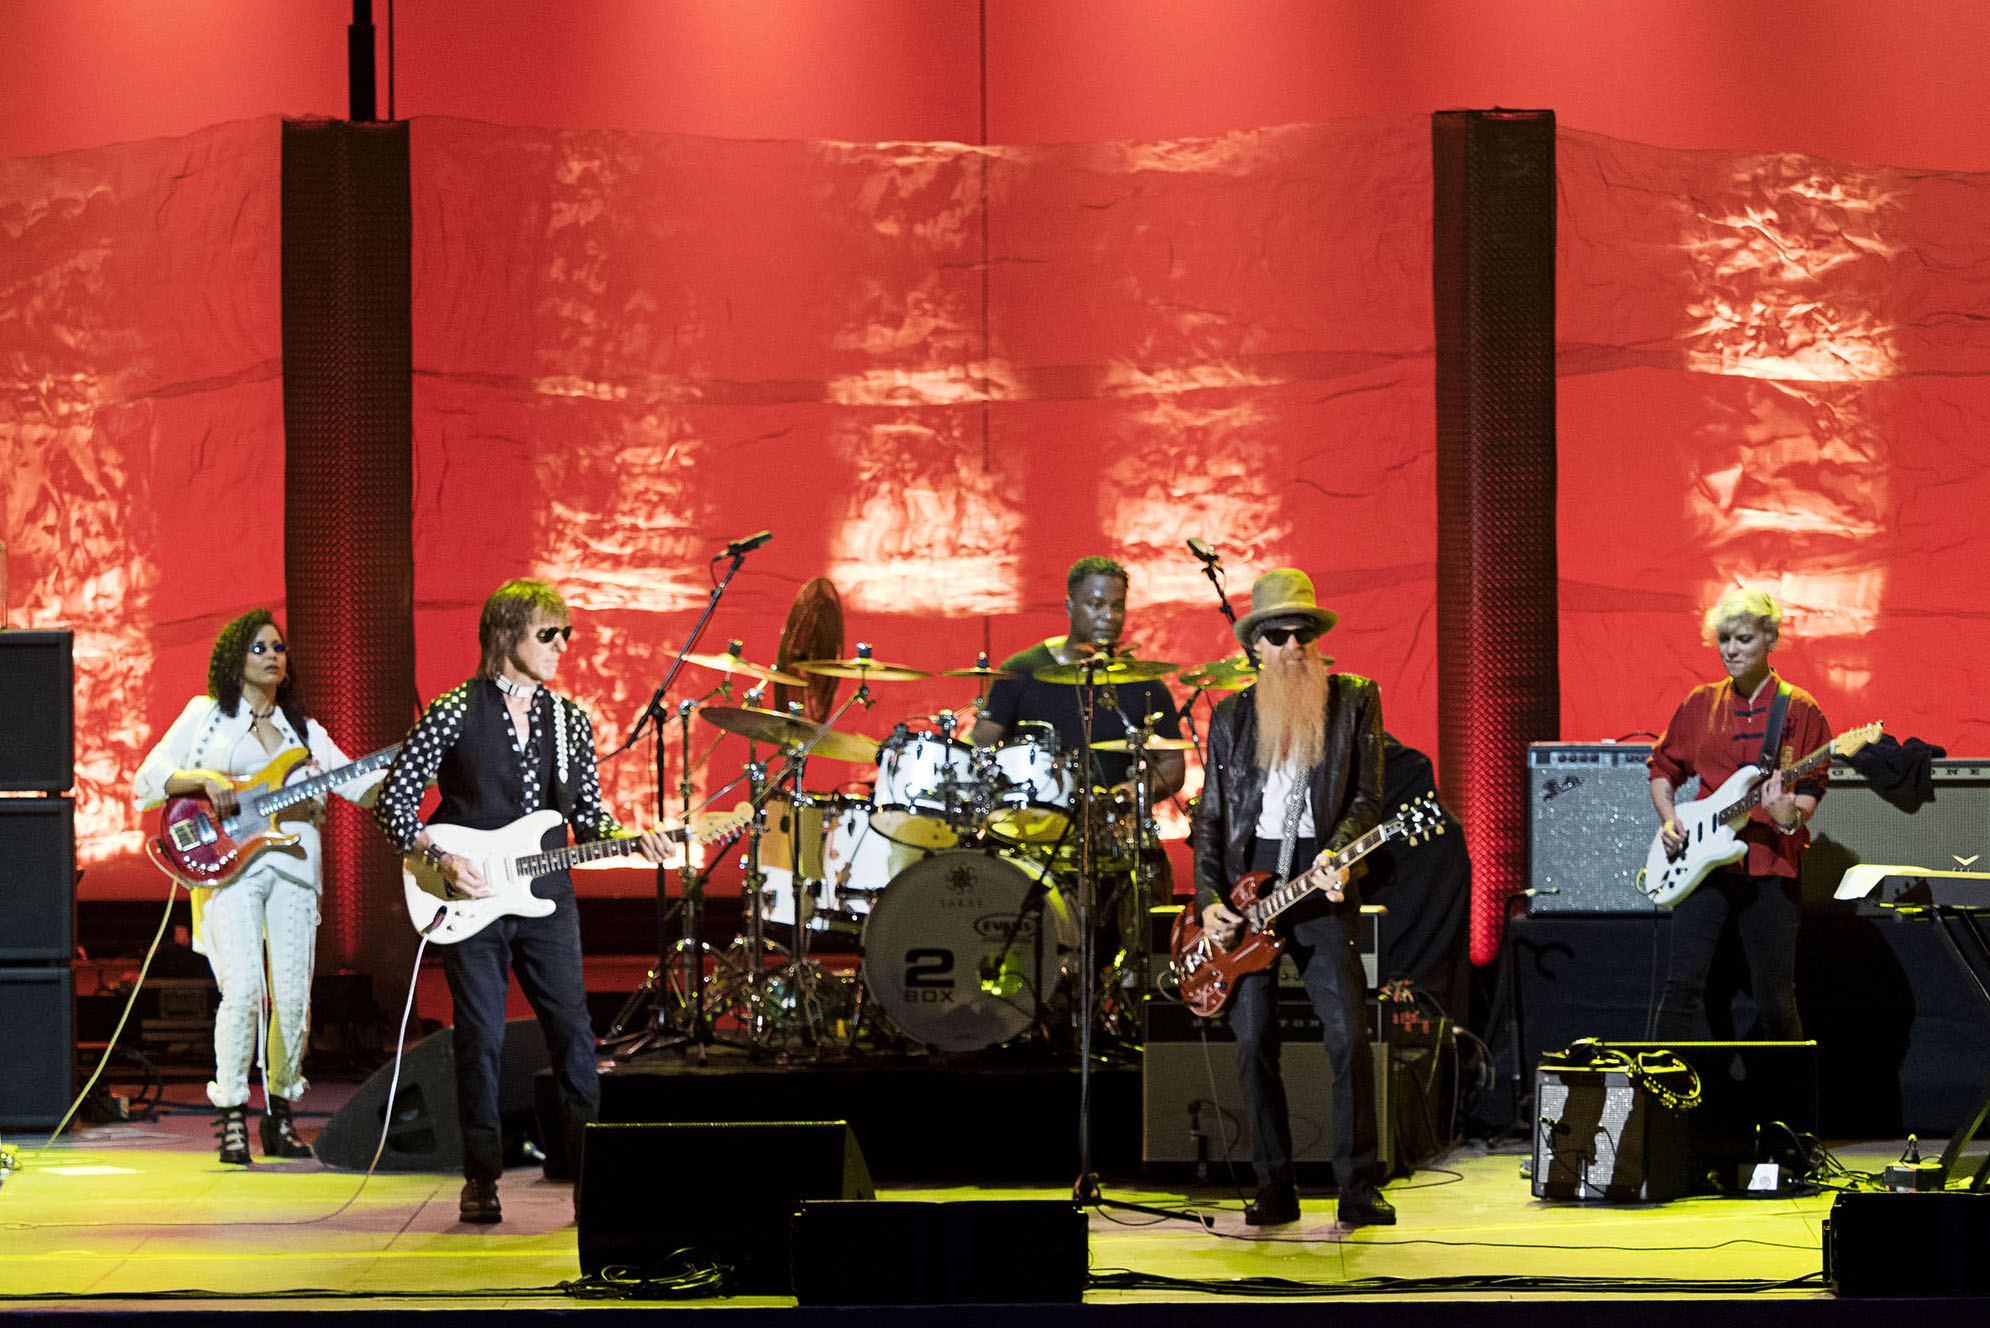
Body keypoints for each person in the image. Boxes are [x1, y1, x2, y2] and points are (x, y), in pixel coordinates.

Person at [373, 579, 670, 1224]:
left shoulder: (570, 722)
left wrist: (632, 838)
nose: (562, 646)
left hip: (547, 896)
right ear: (508, 636)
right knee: (478, 1037)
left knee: (573, 1033)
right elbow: (395, 802)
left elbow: (587, 817)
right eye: (548, 634)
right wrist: (440, 857)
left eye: (566, 633)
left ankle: (592, 1179)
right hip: (467, 898)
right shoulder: (454, 710)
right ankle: (481, 1178)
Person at [134, 609, 385, 1165]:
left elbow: (365, 787)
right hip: (227, 867)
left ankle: (279, 1113)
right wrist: (205, 778)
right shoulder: (205, 716)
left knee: (293, 1000)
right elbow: (148, 780)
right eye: (259, 648)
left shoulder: (307, 733)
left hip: (294, 869)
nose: (273, 655)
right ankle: (230, 1114)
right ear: (234, 660)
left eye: (279, 647)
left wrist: (417, 765)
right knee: (244, 990)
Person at [1193, 568, 1395, 1228]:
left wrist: (1340, 851)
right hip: (1248, 883)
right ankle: (1273, 1185)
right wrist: (1208, 900)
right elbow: (1211, 819)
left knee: (1347, 1038)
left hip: (1319, 875)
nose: (1293, 645)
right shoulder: (1228, 717)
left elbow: (1367, 798)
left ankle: (1359, 1185)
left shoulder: (1354, 699)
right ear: (1255, 646)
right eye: (1278, 635)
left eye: (1304, 633)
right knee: (1253, 1043)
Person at [1648, 586, 1829, 1040]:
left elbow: (1807, 795)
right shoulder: (1700, 704)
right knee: (1681, 989)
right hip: (1703, 865)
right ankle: (1656, 1102)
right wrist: (1670, 819)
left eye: (1743, 639)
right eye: (1724, 639)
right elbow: (1662, 770)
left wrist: (1787, 813)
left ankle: (1786, 1106)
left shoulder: (1801, 709)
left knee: (1775, 1002)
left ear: (1770, 640)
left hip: (1771, 866)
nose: (1730, 649)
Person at [973, 555, 1187, 809]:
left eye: (1117, 606)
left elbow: (1173, 764)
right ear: (1070, 606)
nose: (1108, 616)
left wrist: (1133, 791)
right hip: (1029, 824)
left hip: (1109, 828)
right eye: (1096, 604)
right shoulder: (1021, 671)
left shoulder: (1146, 684)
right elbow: (980, 747)